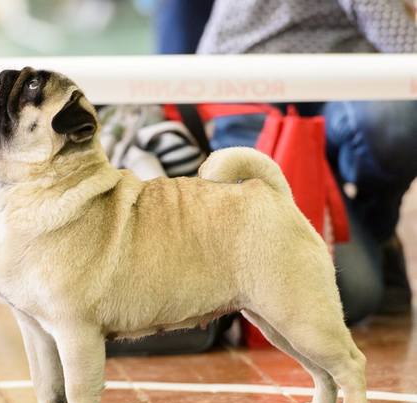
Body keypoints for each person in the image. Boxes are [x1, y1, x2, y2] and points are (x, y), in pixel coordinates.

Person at [155, 0, 417, 324]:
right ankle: (353, 228)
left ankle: (377, 228)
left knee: (394, 123)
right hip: (249, 79)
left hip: (346, 73)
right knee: (349, 296)